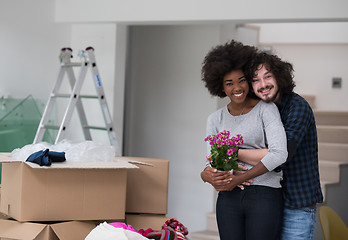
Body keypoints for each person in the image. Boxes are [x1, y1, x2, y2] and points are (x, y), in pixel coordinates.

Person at [200, 40, 288, 240]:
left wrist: (239, 178)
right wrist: (207, 175)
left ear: (248, 80)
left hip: (264, 195)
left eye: (241, 80)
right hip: (228, 198)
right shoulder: (215, 119)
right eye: (229, 83)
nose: (237, 88)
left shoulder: (266, 110)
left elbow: (279, 154)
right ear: (221, 87)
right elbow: (211, 161)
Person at [243, 51, 323, 240]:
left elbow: (279, 156)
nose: (263, 85)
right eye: (256, 80)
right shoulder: (260, 110)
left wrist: (236, 153)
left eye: (268, 76)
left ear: (279, 77)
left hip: (297, 203)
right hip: (268, 199)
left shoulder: (298, 107)